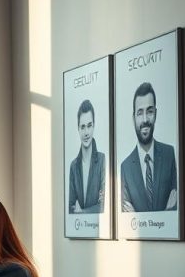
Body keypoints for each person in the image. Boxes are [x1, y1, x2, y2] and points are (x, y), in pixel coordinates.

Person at [120, 81, 178, 212]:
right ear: (133, 118)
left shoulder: (169, 154)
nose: (145, 119)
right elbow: (127, 216)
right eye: (140, 113)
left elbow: (175, 207)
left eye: (150, 111)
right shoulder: (125, 167)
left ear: (155, 114)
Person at [68, 99, 106, 214]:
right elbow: (71, 207)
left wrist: (82, 212)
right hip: (80, 225)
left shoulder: (102, 160)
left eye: (89, 126)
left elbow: (103, 206)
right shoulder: (73, 166)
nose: (86, 132)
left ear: (94, 126)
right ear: (78, 129)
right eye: (83, 127)